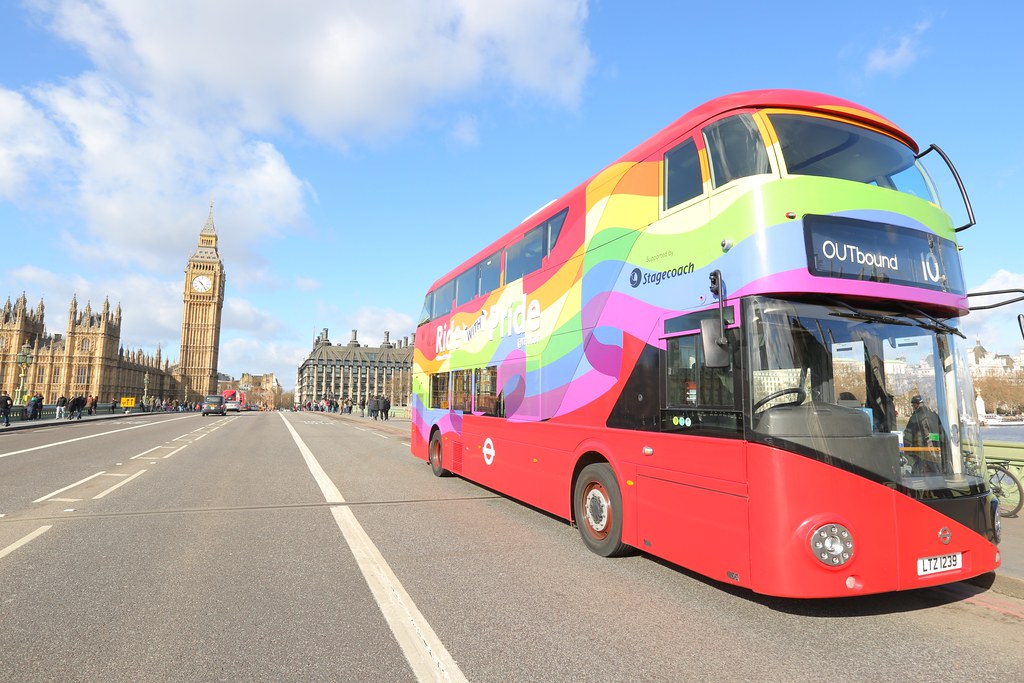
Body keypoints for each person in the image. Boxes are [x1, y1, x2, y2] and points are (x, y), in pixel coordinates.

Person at [903, 395, 945, 473]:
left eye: (913, 405)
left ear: (916, 404)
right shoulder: (934, 415)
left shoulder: (915, 417)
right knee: (937, 474)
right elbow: (941, 435)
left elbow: (907, 437)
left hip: (922, 453)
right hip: (937, 452)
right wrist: (932, 438)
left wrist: (905, 450)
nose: (913, 407)